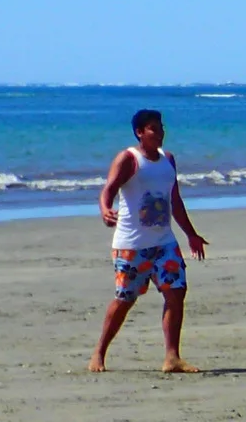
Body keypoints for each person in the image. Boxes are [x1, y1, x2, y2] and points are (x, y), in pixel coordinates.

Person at [90, 108, 210, 374]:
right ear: (140, 133)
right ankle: (99, 352)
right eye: (153, 128)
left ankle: (172, 357)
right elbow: (108, 189)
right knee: (125, 299)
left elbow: (174, 200)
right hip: (131, 245)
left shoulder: (168, 160)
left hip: (164, 242)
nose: (160, 132)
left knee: (176, 292)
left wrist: (191, 233)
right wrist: (104, 209)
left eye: (161, 127)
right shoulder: (128, 159)